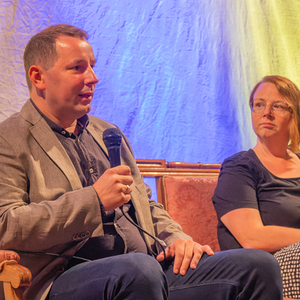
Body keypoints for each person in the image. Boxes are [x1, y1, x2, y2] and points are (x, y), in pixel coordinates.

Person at [0, 24, 282, 300]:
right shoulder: (10, 139)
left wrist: (176, 238)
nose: (93, 77)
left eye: (92, 66)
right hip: (63, 278)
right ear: (38, 77)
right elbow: (6, 224)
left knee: (258, 266)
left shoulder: (106, 133)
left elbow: (146, 205)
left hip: (146, 268)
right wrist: (94, 201)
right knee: (139, 269)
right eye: (78, 68)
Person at [212, 75, 300, 300]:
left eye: (278, 106)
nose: (266, 113)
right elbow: (253, 238)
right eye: (259, 104)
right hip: (263, 270)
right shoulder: (239, 168)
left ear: (294, 115)